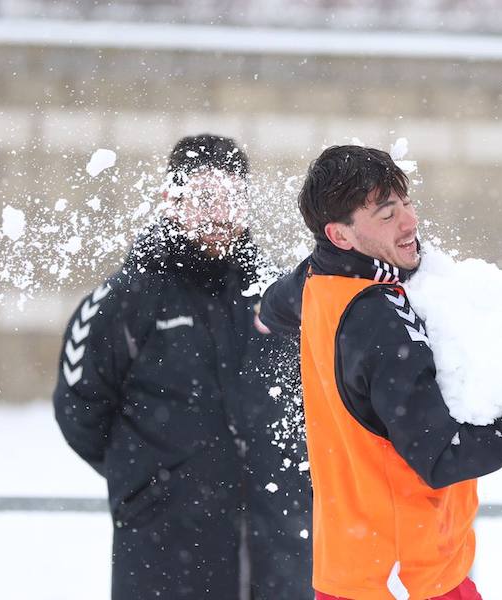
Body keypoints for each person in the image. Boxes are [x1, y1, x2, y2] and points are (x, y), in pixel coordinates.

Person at [259, 145, 502, 600]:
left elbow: (273, 306)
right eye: (386, 215)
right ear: (341, 236)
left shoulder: (318, 282)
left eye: (406, 203)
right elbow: (444, 457)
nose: (410, 222)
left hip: (353, 572)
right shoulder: (379, 320)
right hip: (410, 581)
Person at [53, 134, 313, 600]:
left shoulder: (277, 298)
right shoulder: (126, 300)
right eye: (204, 197)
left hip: (279, 552)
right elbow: (80, 411)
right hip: (165, 550)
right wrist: (149, 482)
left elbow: (312, 404)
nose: (218, 213)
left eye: (232, 197)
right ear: (170, 199)